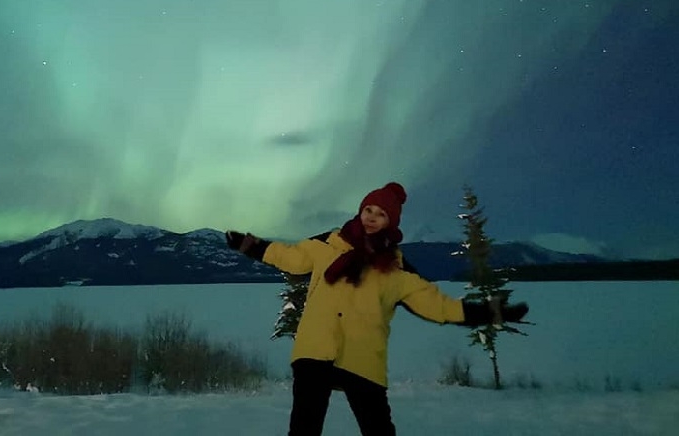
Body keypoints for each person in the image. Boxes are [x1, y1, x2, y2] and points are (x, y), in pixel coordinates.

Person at [226, 181, 528, 436]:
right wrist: (250, 245)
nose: (371, 217)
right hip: (315, 350)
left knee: (378, 430)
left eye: (380, 214)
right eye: (368, 209)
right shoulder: (328, 246)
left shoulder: (395, 271)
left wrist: (490, 313)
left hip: (362, 357)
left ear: (390, 222)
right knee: (304, 428)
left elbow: (438, 306)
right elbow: (290, 257)